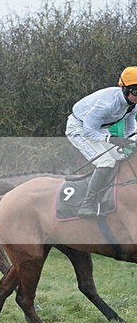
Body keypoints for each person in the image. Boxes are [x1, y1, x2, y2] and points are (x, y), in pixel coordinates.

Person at [66, 66, 137, 217]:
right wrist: (113, 139)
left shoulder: (132, 104)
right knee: (106, 161)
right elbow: (88, 131)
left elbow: (130, 126)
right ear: (124, 89)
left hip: (99, 129)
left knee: (121, 158)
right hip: (79, 129)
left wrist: (131, 141)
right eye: (136, 91)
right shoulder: (105, 105)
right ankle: (86, 204)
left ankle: (110, 194)